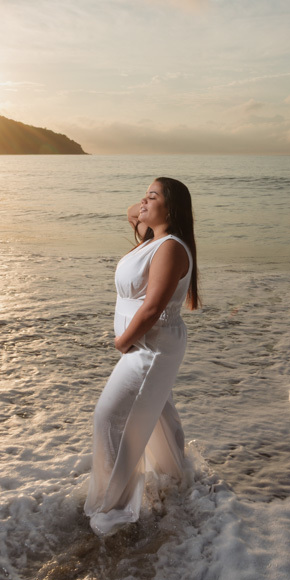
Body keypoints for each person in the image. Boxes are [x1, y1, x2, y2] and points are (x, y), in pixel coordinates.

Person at [84, 177, 200, 536]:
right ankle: (177, 482)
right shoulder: (152, 240)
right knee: (158, 415)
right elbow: (132, 212)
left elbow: (152, 309)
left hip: (151, 345)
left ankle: (111, 509)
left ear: (172, 208)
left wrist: (123, 342)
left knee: (110, 417)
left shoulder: (170, 247)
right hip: (145, 343)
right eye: (144, 195)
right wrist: (150, 203)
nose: (142, 202)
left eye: (153, 196)